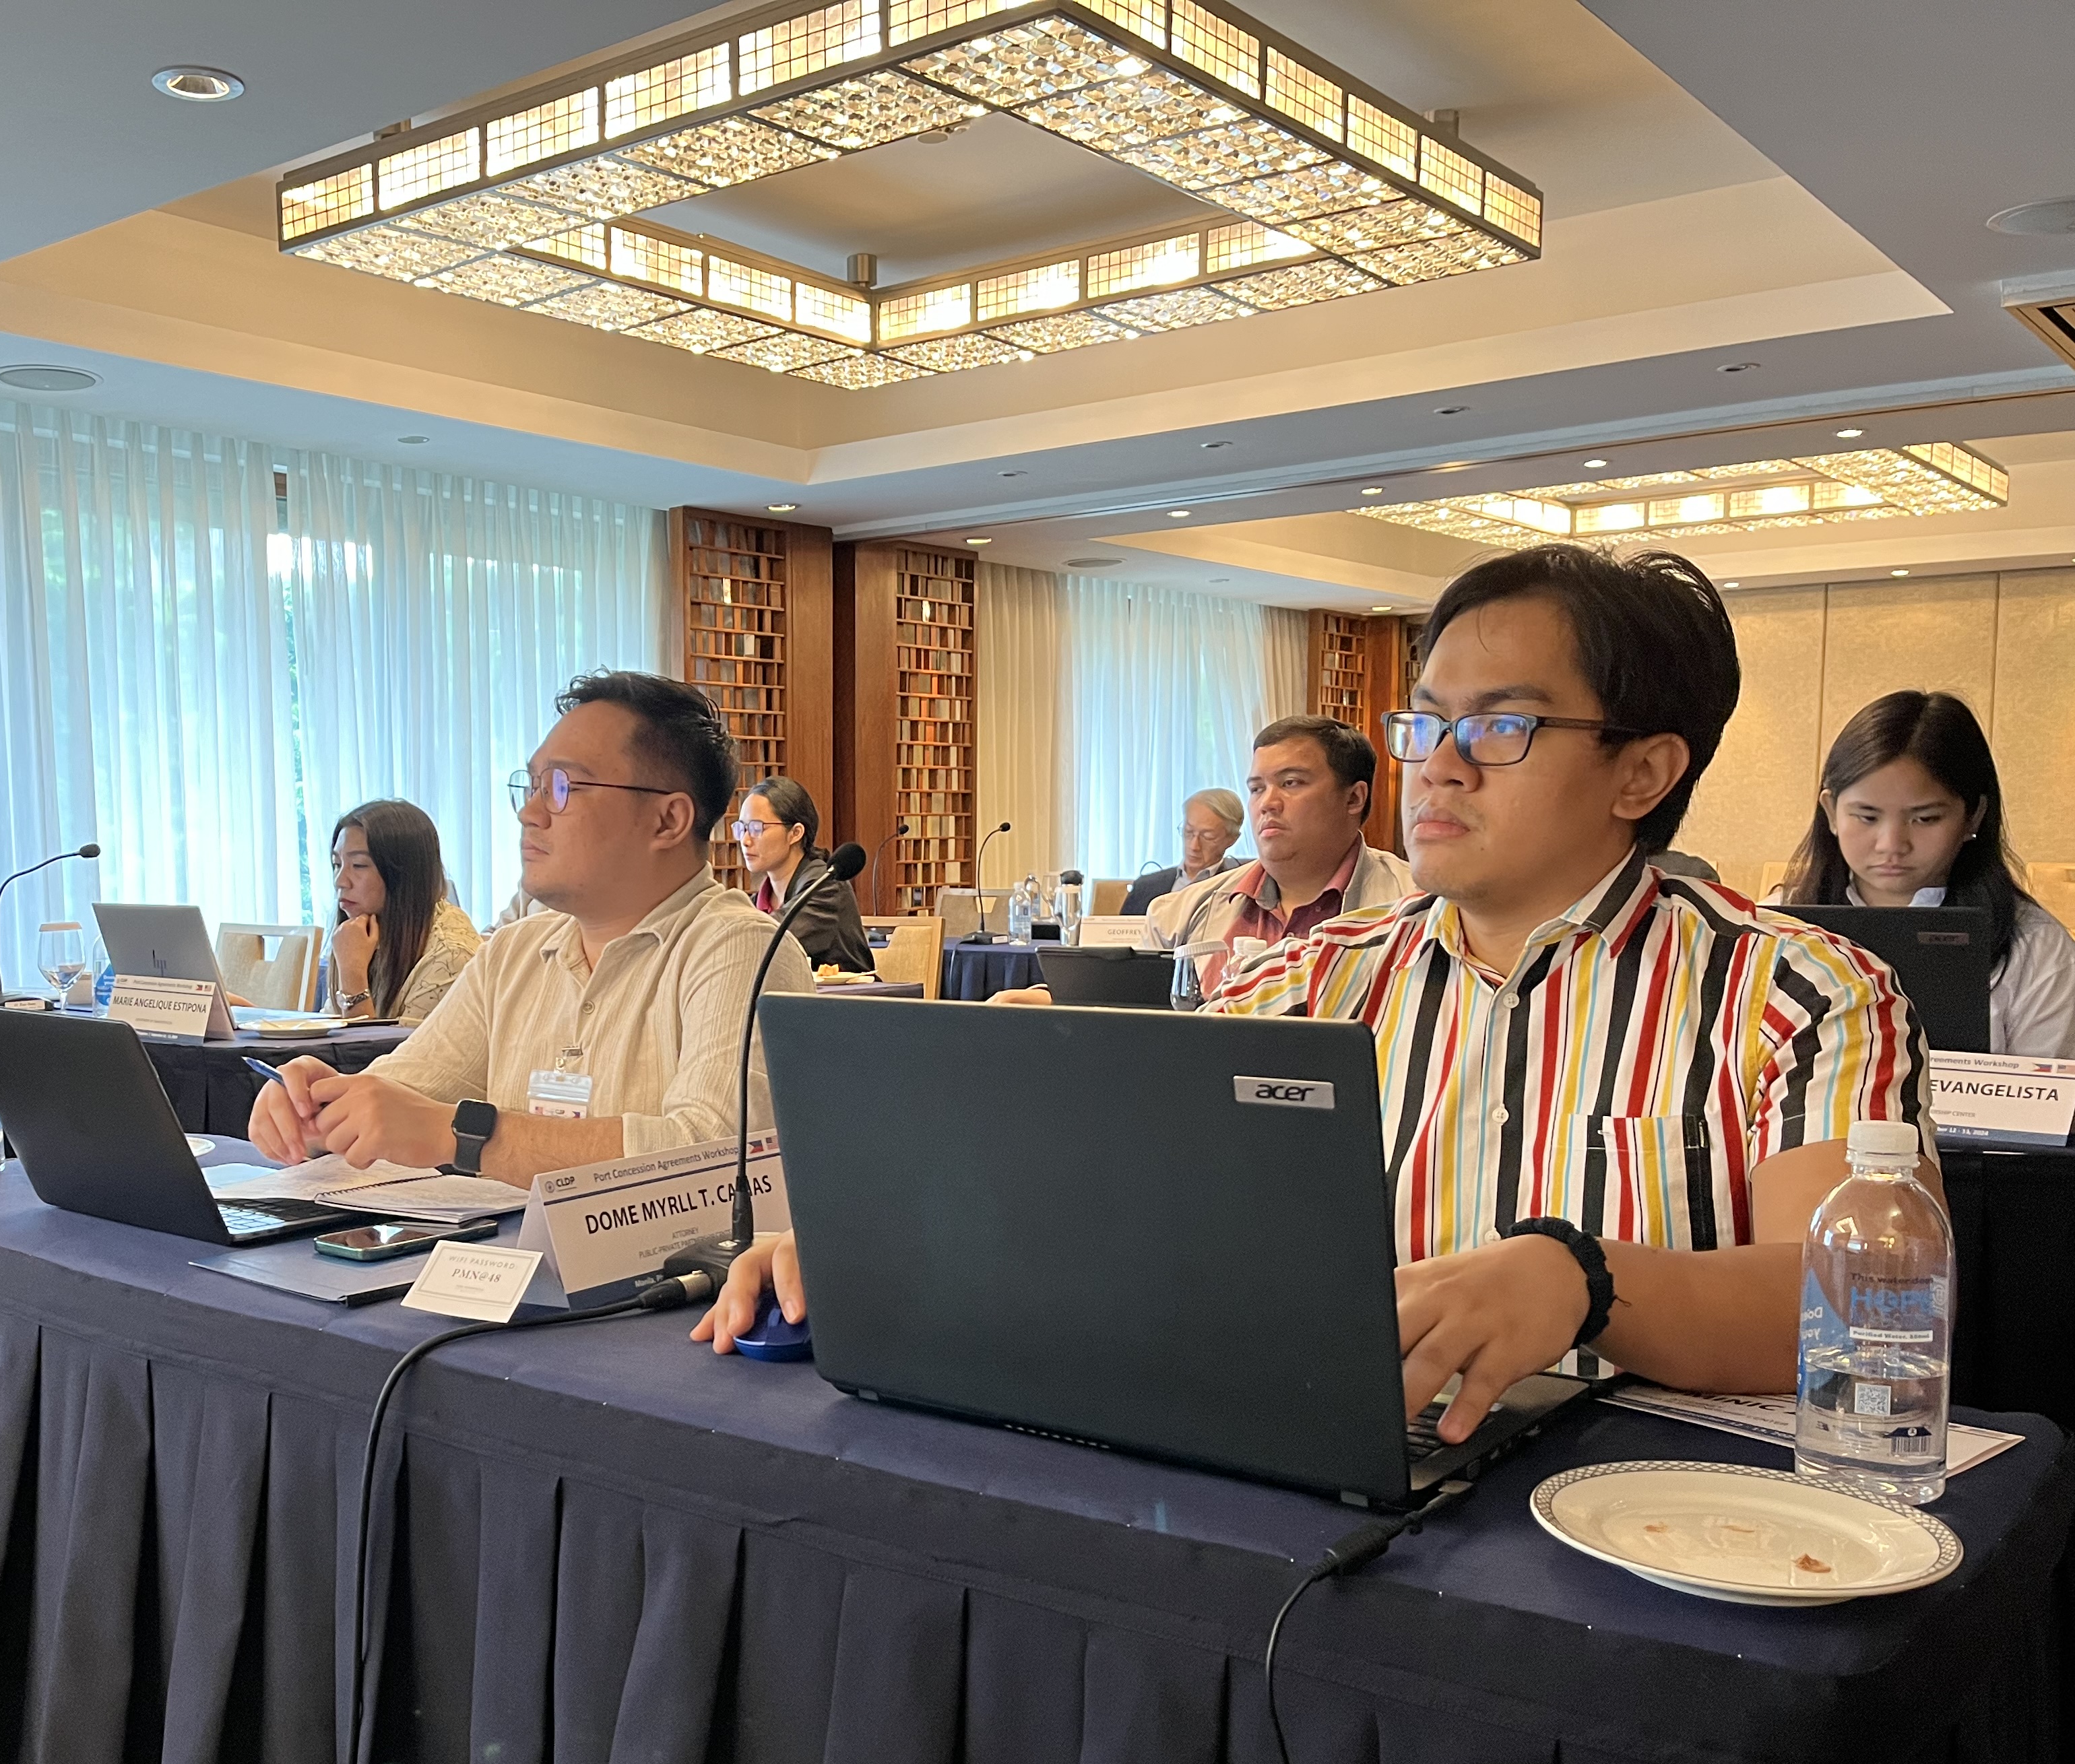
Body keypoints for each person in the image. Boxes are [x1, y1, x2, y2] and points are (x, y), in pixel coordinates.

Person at [702, 546, 1932, 1453]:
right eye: (1425, 724)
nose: (1438, 766)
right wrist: (895, 1248)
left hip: (1644, 1515)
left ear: (1644, 772)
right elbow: (1112, 1189)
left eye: (1500, 725)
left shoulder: (1798, 991)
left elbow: (1855, 1310)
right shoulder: (1314, 976)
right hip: (1340, 1476)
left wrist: (1582, 1278)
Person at [251, 672, 814, 1187]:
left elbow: (715, 1157)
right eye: (534, 785)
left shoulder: (740, 949)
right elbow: (402, 1096)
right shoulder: (515, 952)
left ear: (667, 820)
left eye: (563, 787)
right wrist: (318, 1108)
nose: (530, 813)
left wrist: (459, 1134)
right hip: (501, 1259)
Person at [1773, 690, 2075, 1058]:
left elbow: (2046, 1089)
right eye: (1867, 816)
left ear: (1974, 817)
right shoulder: (1772, 926)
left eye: (1925, 818)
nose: (1892, 844)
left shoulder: (2037, 948)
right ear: (1832, 812)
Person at [1145, 720, 1411, 968]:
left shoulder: (1419, 908)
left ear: (1354, 798)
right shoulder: (1177, 917)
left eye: (1290, 783)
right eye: (1257, 789)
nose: (1267, 803)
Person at [323, 798, 482, 1026]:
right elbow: (328, 1032)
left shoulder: (451, 956)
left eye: (359, 865)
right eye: (337, 864)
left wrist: (353, 976)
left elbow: (390, 1049)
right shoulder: (359, 934)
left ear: (403, 874)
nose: (340, 881)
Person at [734, 775, 870, 973]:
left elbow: (767, 939)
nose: (745, 840)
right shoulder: (758, 901)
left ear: (796, 833)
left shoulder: (827, 886)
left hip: (850, 994)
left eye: (757, 828)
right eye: (741, 829)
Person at [1120, 789, 1246, 915]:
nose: (1194, 846)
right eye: (1189, 832)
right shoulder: (1145, 887)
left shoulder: (1239, 892)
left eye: (1208, 837)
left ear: (1232, 840)